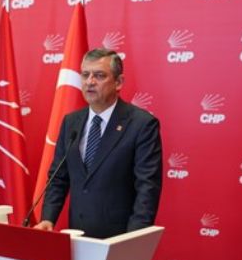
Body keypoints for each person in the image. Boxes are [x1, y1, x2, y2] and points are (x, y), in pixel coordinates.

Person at [34, 49, 162, 238]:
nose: (90, 81)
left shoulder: (141, 124)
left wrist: (133, 240)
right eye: (85, 75)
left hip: (119, 239)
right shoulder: (71, 122)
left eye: (99, 75)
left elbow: (147, 188)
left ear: (118, 82)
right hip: (77, 236)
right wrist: (48, 218)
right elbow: (58, 177)